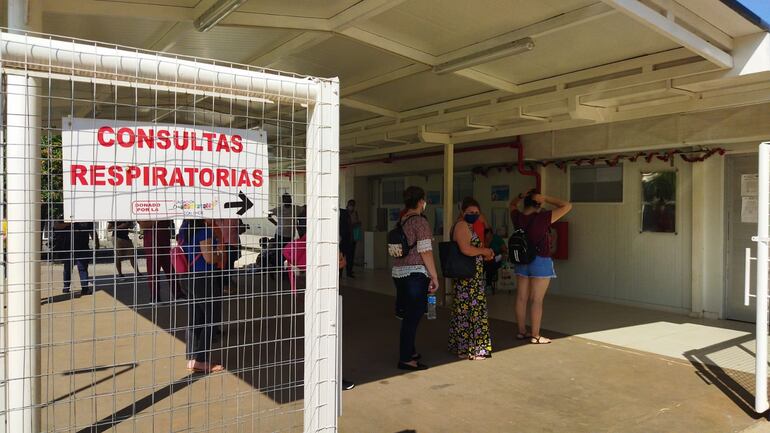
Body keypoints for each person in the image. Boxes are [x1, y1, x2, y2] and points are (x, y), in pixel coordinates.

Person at [509, 190, 572, 344]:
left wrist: (520, 196)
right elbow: (567, 205)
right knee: (536, 300)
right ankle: (536, 335)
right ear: (538, 203)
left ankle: (522, 331)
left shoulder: (517, 217)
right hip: (540, 260)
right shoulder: (543, 218)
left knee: (521, 297)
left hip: (521, 260)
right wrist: (547, 197)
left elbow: (511, 204)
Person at [391, 186, 439, 371]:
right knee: (413, 317)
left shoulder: (402, 220)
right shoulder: (420, 222)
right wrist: (434, 276)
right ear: (421, 201)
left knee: (407, 315)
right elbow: (425, 251)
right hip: (416, 275)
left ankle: (410, 351)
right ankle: (405, 358)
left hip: (399, 273)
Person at [448, 197, 495, 360]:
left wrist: (483, 253)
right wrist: (484, 251)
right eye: (470, 212)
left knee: (464, 311)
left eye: (477, 212)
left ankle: (463, 347)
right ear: (462, 212)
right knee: (473, 311)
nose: (474, 215)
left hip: (469, 275)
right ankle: (475, 348)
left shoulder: (466, 225)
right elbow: (466, 249)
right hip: (469, 278)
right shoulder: (462, 225)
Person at [180, 219, 225, 373]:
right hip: (203, 277)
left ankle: (192, 359)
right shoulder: (205, 231)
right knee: (212, 318)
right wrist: (220, 253)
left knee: (196, 318)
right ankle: (202, 360)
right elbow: (210, 258)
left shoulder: (184, 229)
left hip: (187, 277)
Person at [53, 220, 99, 295]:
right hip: (68, 248)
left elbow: (92, 232)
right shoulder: (67, 216)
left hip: (83, 248)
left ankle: (85, 288)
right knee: (67, 268)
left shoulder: (86, 219)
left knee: (83, 268)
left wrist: (97, 244)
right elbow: (56, 226)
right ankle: (66, 287)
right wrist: (70, 221)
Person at [139, 220, 175, 303]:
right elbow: (143, 225)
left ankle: (178, 294)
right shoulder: (144, 209)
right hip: (151, 241)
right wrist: (158, 219)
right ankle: (155, 297)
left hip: (164, 239)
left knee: (170, 268)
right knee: (153, 270)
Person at [484, 226, 507, 293]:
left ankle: (488, 285)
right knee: (483, 264)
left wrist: (501, 255)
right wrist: (487, 242)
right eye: (486, 236)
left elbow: (505, 250)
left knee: (490, 264)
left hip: (496, 259)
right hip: (486, 258)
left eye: (489, 235)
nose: (487, 237)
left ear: (492, 234)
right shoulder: (483, 239)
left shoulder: (497, 239)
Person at [347, 199, 362, 278]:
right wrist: (354, 224)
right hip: (347, 237)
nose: (352, 207)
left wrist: (358, 223)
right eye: (351, 205)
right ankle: (345, 270)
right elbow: (348, 224)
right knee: (347, 254)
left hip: (354, 236)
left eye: (353, 205)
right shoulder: (345, 213)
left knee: (352, 254)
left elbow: (356, 221)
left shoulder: (355, 213)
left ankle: (349, 270)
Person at [339, 206, 354, 278]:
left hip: (341, 237)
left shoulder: (340, 212)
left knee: (341, 255)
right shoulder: (345, 212)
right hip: (346, 237)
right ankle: (348, 272)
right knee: (348, 256)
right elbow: (350, 224)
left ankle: (340, 273)